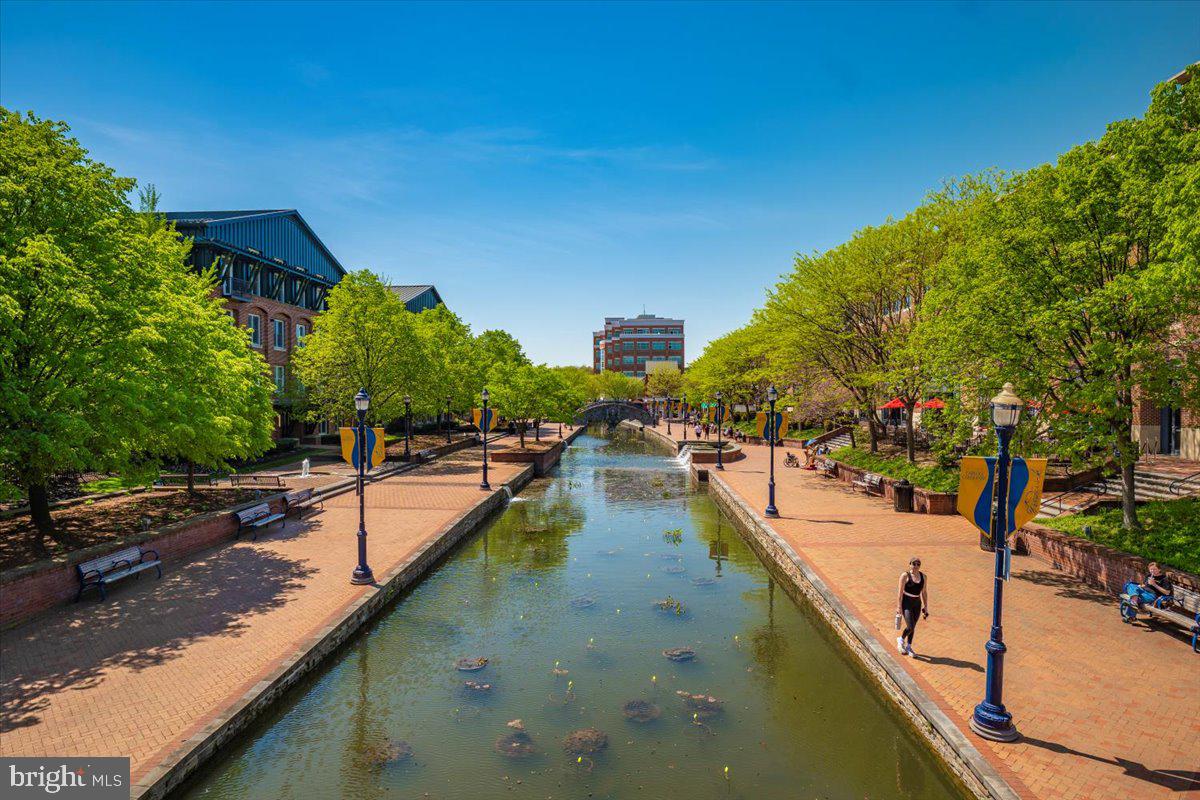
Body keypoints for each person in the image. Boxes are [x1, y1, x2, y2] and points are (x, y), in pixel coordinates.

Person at [895, 557, 928, 656]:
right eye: (914, 564)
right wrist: (899, 607)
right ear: (910, 564)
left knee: (913, 626)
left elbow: (924, 592)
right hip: (906, 602)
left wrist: (926, 606)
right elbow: (900, 593)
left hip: (917, 603)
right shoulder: (905, 575)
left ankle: (909, 646)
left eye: (918, 564)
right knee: (910, 626)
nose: (916, 566)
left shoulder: (923, 577)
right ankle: (901, 640)